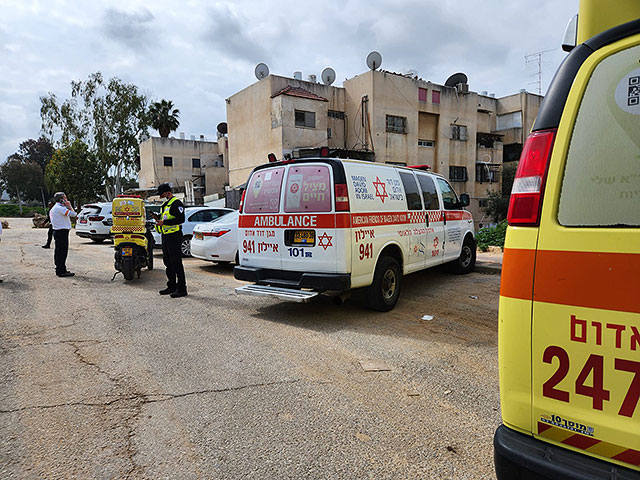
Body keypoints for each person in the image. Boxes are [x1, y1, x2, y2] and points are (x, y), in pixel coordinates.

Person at [154, 183, 187, 297]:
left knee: (176, 263)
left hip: (174, 236)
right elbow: (164, 218)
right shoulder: (164, 205)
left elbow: (181, 219)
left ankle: (182, 289)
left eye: (162, 193)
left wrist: (165, 222)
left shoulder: (176, 203)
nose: (160, 196)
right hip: (166, 236)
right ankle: (171, 286)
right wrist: (158, 220)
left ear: (168, 192)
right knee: (168, 263)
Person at [50, 192, 77, 277]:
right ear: (61, 199)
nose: (66, 199)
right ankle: (61, 270)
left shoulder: (57, 208)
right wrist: (69, 206)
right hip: (61, 232)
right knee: (62, 252)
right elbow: (74, 215)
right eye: (65, 198)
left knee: (59, 251)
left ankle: (61, 268)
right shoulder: (60, 208)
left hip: (59, 231)